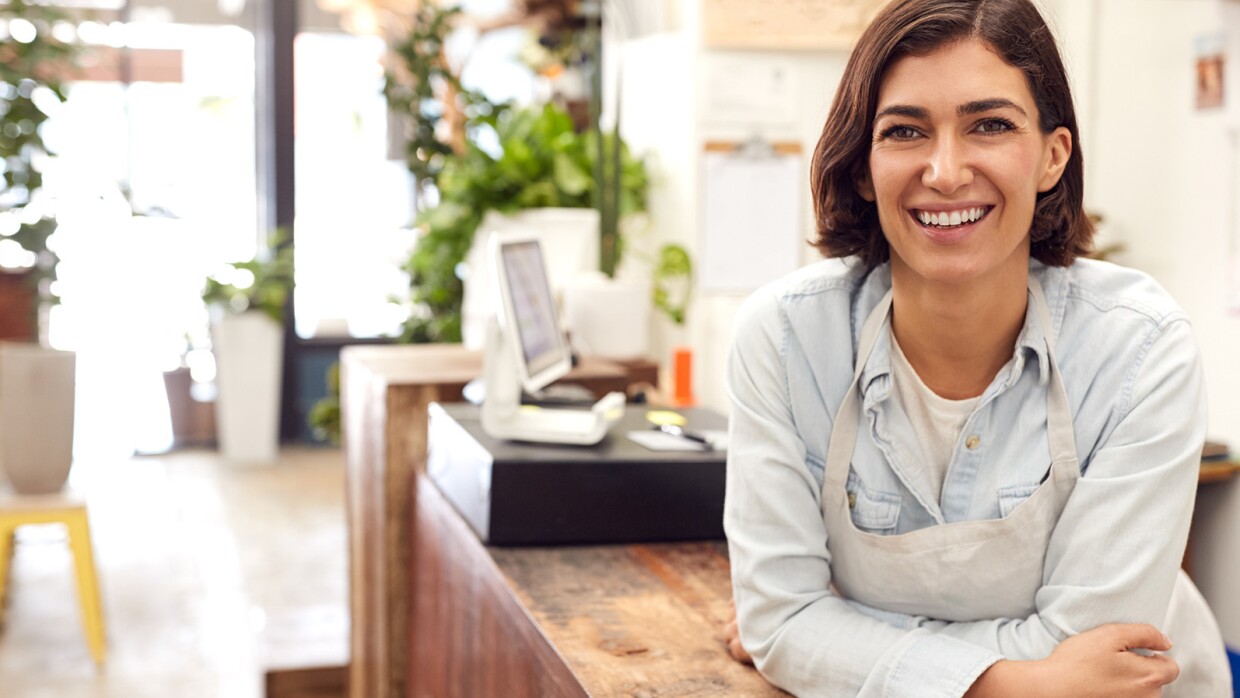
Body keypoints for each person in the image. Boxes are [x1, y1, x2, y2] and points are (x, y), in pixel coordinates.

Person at [722, 1, 1233, 696]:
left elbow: (1092, 654)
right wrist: (1012, 684)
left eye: (989, 125)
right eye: (905, 131)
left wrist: (838, 636)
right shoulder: (786, 342)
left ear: (1053, 156)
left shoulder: (1141, 351)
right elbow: (781, 624)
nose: (945, 170)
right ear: (866, 167)